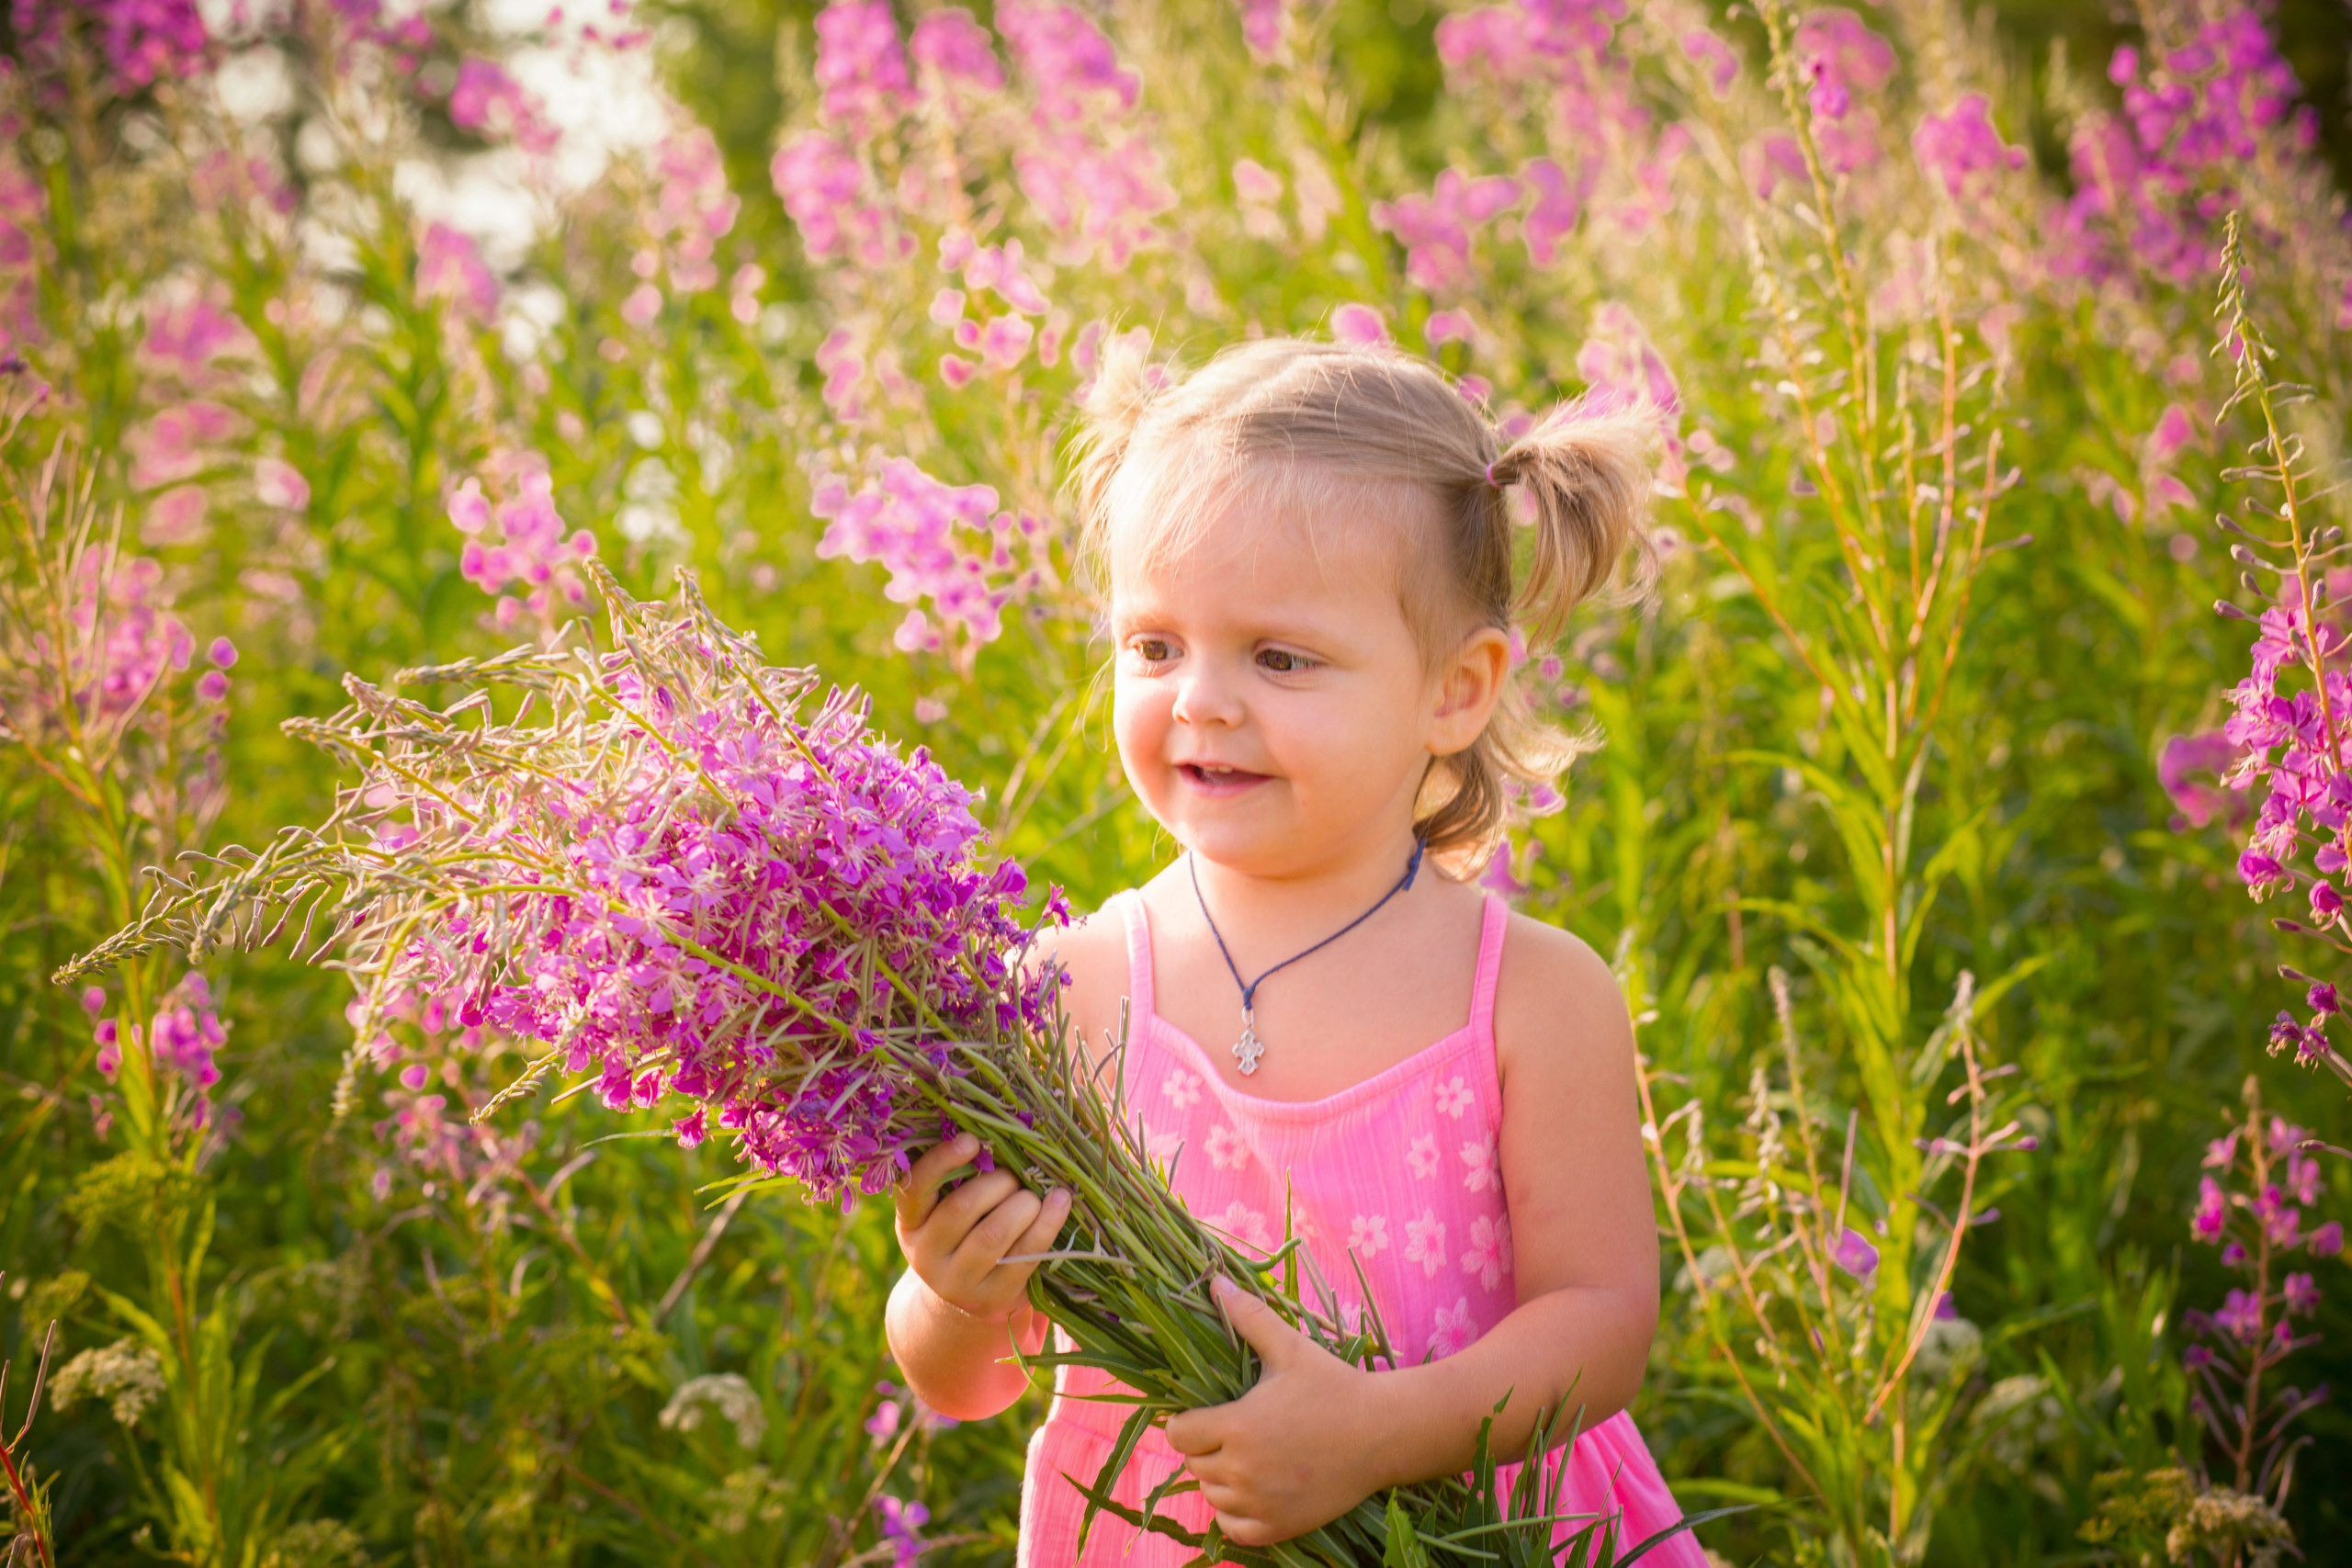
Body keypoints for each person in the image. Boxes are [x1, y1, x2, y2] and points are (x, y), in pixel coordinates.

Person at [883, 333, 1703, 1564]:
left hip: (1479, 1531)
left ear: (1456, 689)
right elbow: (967, 1383)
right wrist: (953, 1293)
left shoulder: (1529, 996)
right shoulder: (1061, 993)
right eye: (1155, 645)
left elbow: (1602, 1325)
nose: (1201, 699)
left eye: (1280, 657)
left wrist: (1376, 1436)